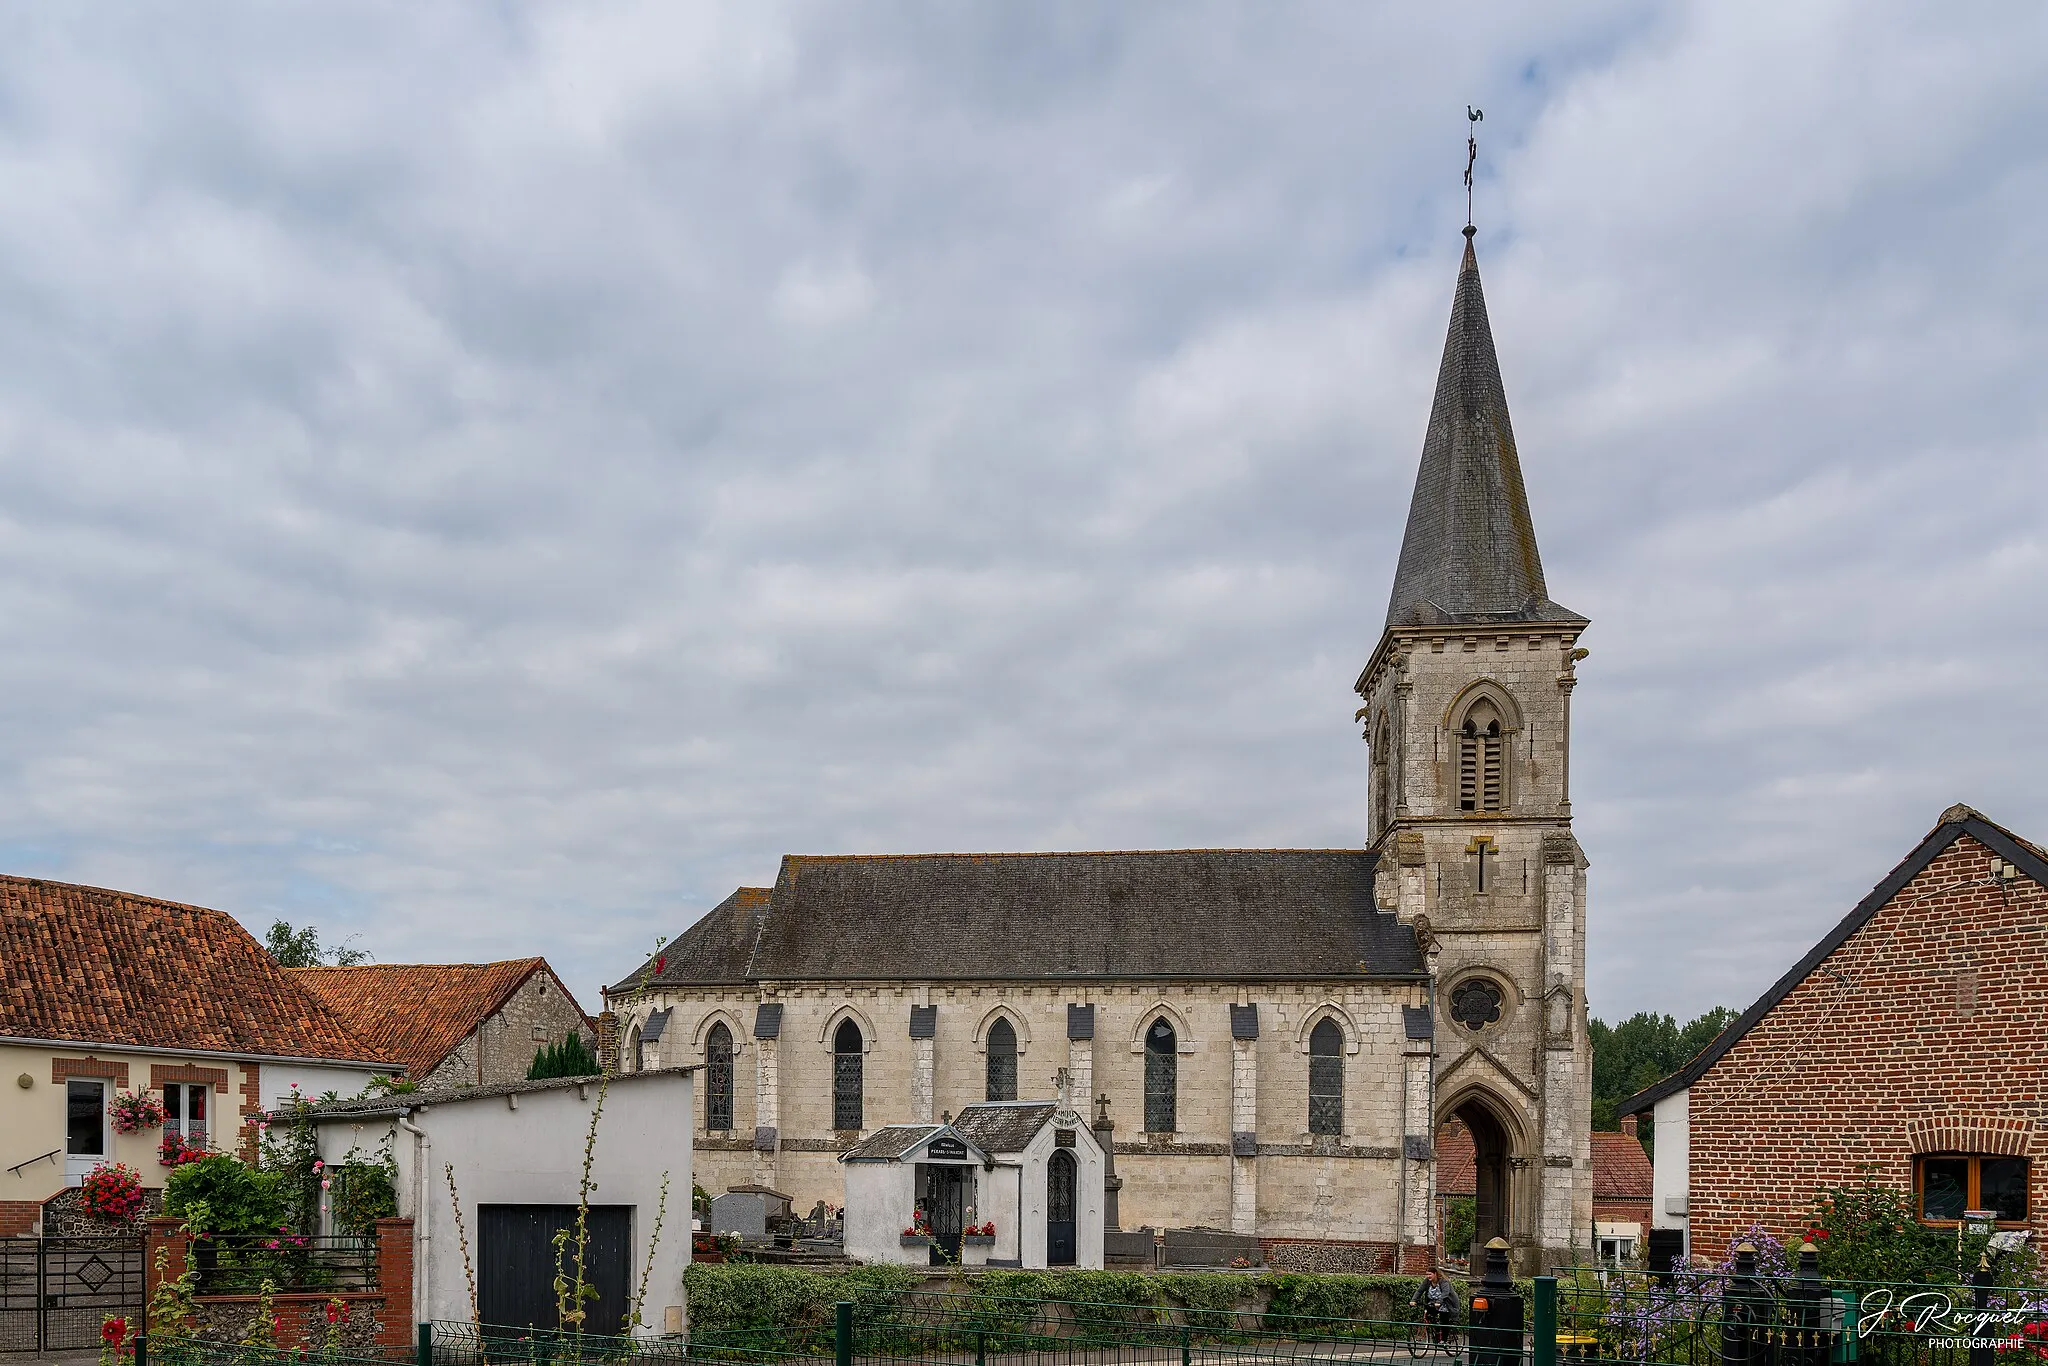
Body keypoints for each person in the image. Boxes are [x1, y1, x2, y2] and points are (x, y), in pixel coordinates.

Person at [1413, 1269, 1458, 1342]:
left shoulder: (1443, 1281)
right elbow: (1419, 1291)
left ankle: (1444, 1340)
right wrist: (1413, 1300)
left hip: (1445, 1302)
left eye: (1430, 1274)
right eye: (1427, 1274)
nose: (1428, 1276)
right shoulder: (1427, 1281)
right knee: (1429, 1317)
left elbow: (1445, 1293)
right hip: (1433, 1302)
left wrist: (1439, 1302)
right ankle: (1437, 1333)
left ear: (1435, 1274)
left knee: (1444, 1320)